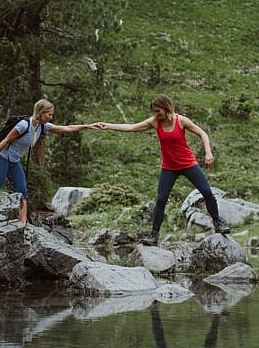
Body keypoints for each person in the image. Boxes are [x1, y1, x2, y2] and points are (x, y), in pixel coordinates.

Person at [96, 94, 229, 245]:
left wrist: (208, 152)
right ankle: (154, 236)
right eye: (154, 111)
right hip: (169, 167)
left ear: (166, 108)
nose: (156, 114)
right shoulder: (154, 122)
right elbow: (132, 127)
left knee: (206, 191)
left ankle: (218, 224)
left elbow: (202, 133)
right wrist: (108, 125)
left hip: (188, 164)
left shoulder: (181, 121)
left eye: (158, 111)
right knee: (161, 199)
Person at [0, 99, 95, 224]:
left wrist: (88, 126)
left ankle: (23, 223)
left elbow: (67, 128)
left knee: (22, 190)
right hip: (2, 158)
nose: (51, 117)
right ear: (41, 112)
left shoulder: (43, 126)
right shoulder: (24, 125)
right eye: (49, 114)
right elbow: (6, 140)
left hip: (15, 161)